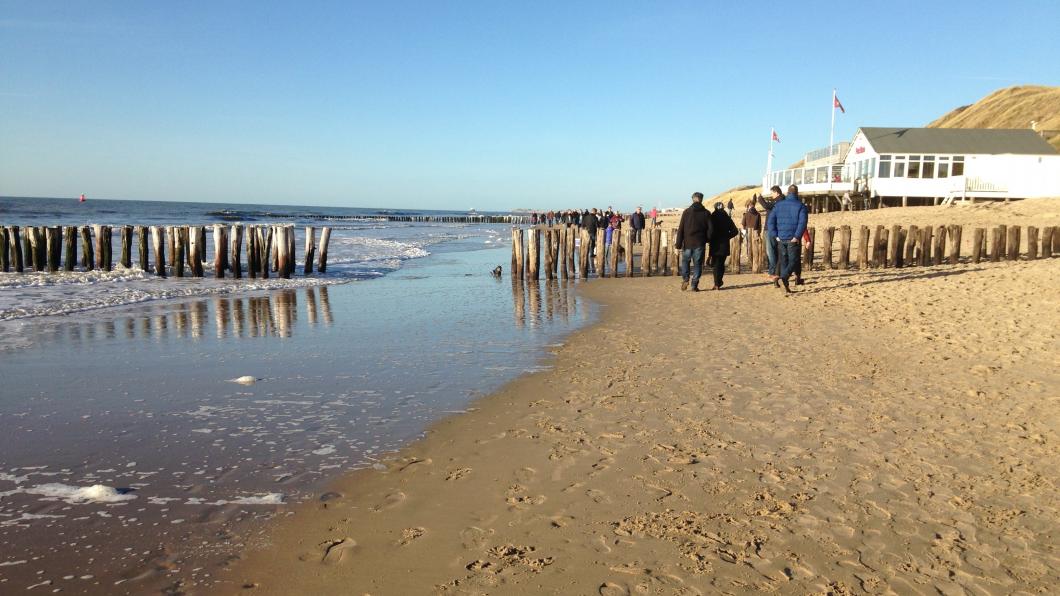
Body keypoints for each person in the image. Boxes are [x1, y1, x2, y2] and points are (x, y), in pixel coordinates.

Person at [766, 184, 808, 293]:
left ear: (788, 193)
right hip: (792, 239)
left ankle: (786, 286)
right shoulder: (801, 206)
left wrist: (776, 235)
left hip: (782, 239)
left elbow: (770, 221)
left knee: (784, 261)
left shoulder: (779, 205)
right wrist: (797, 236)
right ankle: (785, 277)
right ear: (797, 193)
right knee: (793, 260)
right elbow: (803, 223)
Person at [674, 192, 712, 292]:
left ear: (693, 199)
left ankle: (686, 279)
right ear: (701, 200)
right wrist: (707, 239)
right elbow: (710, 230)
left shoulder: (686, 212)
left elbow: (681, 228)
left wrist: (678, 244)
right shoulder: (706, 213)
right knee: (698, 264)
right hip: (699, 242)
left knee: (685, 261)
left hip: (687, 242)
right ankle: (694, 284)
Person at [708, 202, 739, 290]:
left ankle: (717, 283)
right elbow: (735, 231)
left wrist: (709, 239)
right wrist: (727, 237)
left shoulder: (712, 217)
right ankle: (718, 282)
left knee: (716, 264)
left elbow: (709, 230)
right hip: (724, 244)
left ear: (715, 208)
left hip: (715, 244)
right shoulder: (727, 218)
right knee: (721, 264)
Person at [758, 185, 784, 276]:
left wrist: (760, 198)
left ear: (776, 192)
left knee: (771, 251)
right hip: (776, 228)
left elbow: (766, 206)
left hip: (771, 229)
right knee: (775, 251)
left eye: (772, 193)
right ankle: (776, 270)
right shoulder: (780, 200)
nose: (771, 195)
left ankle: (773, 271)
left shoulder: (778, 201)